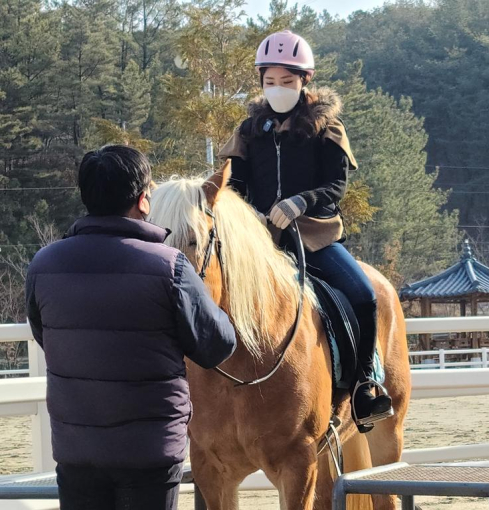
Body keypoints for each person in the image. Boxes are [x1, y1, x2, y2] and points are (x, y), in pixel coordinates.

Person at [25, 145, 237, 510]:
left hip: (77, 449)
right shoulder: (170, 267)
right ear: (143, 200)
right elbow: (216, 346)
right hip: (150, 451)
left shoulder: (43, 265)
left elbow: (46, 336)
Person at [217, 30, 392, 432]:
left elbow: (336, 186)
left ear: (304, 81)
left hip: (316, 236)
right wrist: (248, 214)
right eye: (270, 82)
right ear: (261, 82)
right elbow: (236, 184)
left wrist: (299, 203)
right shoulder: (248, 132)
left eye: (287, 81)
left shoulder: (326, 127)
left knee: (364, 296)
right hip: (261, 244)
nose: (278, 89)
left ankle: (366, 385)